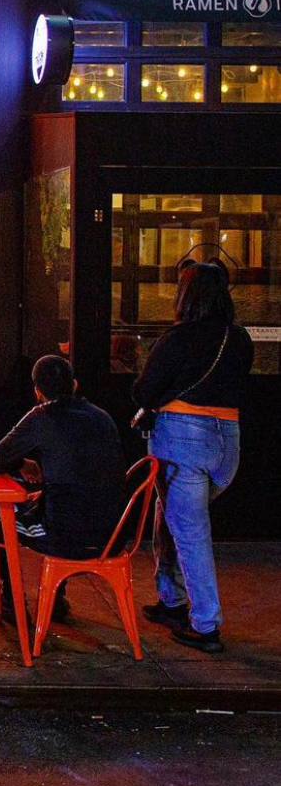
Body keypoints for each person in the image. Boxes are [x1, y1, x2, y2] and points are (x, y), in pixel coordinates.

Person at [132, 261, 253, 653]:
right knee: (174, 520)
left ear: (186, 296)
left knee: (190, 532)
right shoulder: (239, 339)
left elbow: (144, 392)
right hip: (227, 441)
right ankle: (171, 599)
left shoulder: (177, 338)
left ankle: (205, 624)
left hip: (183, 439)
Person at [0, 354, 129, 621]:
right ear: (74, 385)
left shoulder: (41, 417)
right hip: (114, 534)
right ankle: (57, 600)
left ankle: (10, 602)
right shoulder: (103, 418)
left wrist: (20, 462)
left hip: (68, 538)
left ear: (38, 391)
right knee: (61, 505)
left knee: (0, 517)